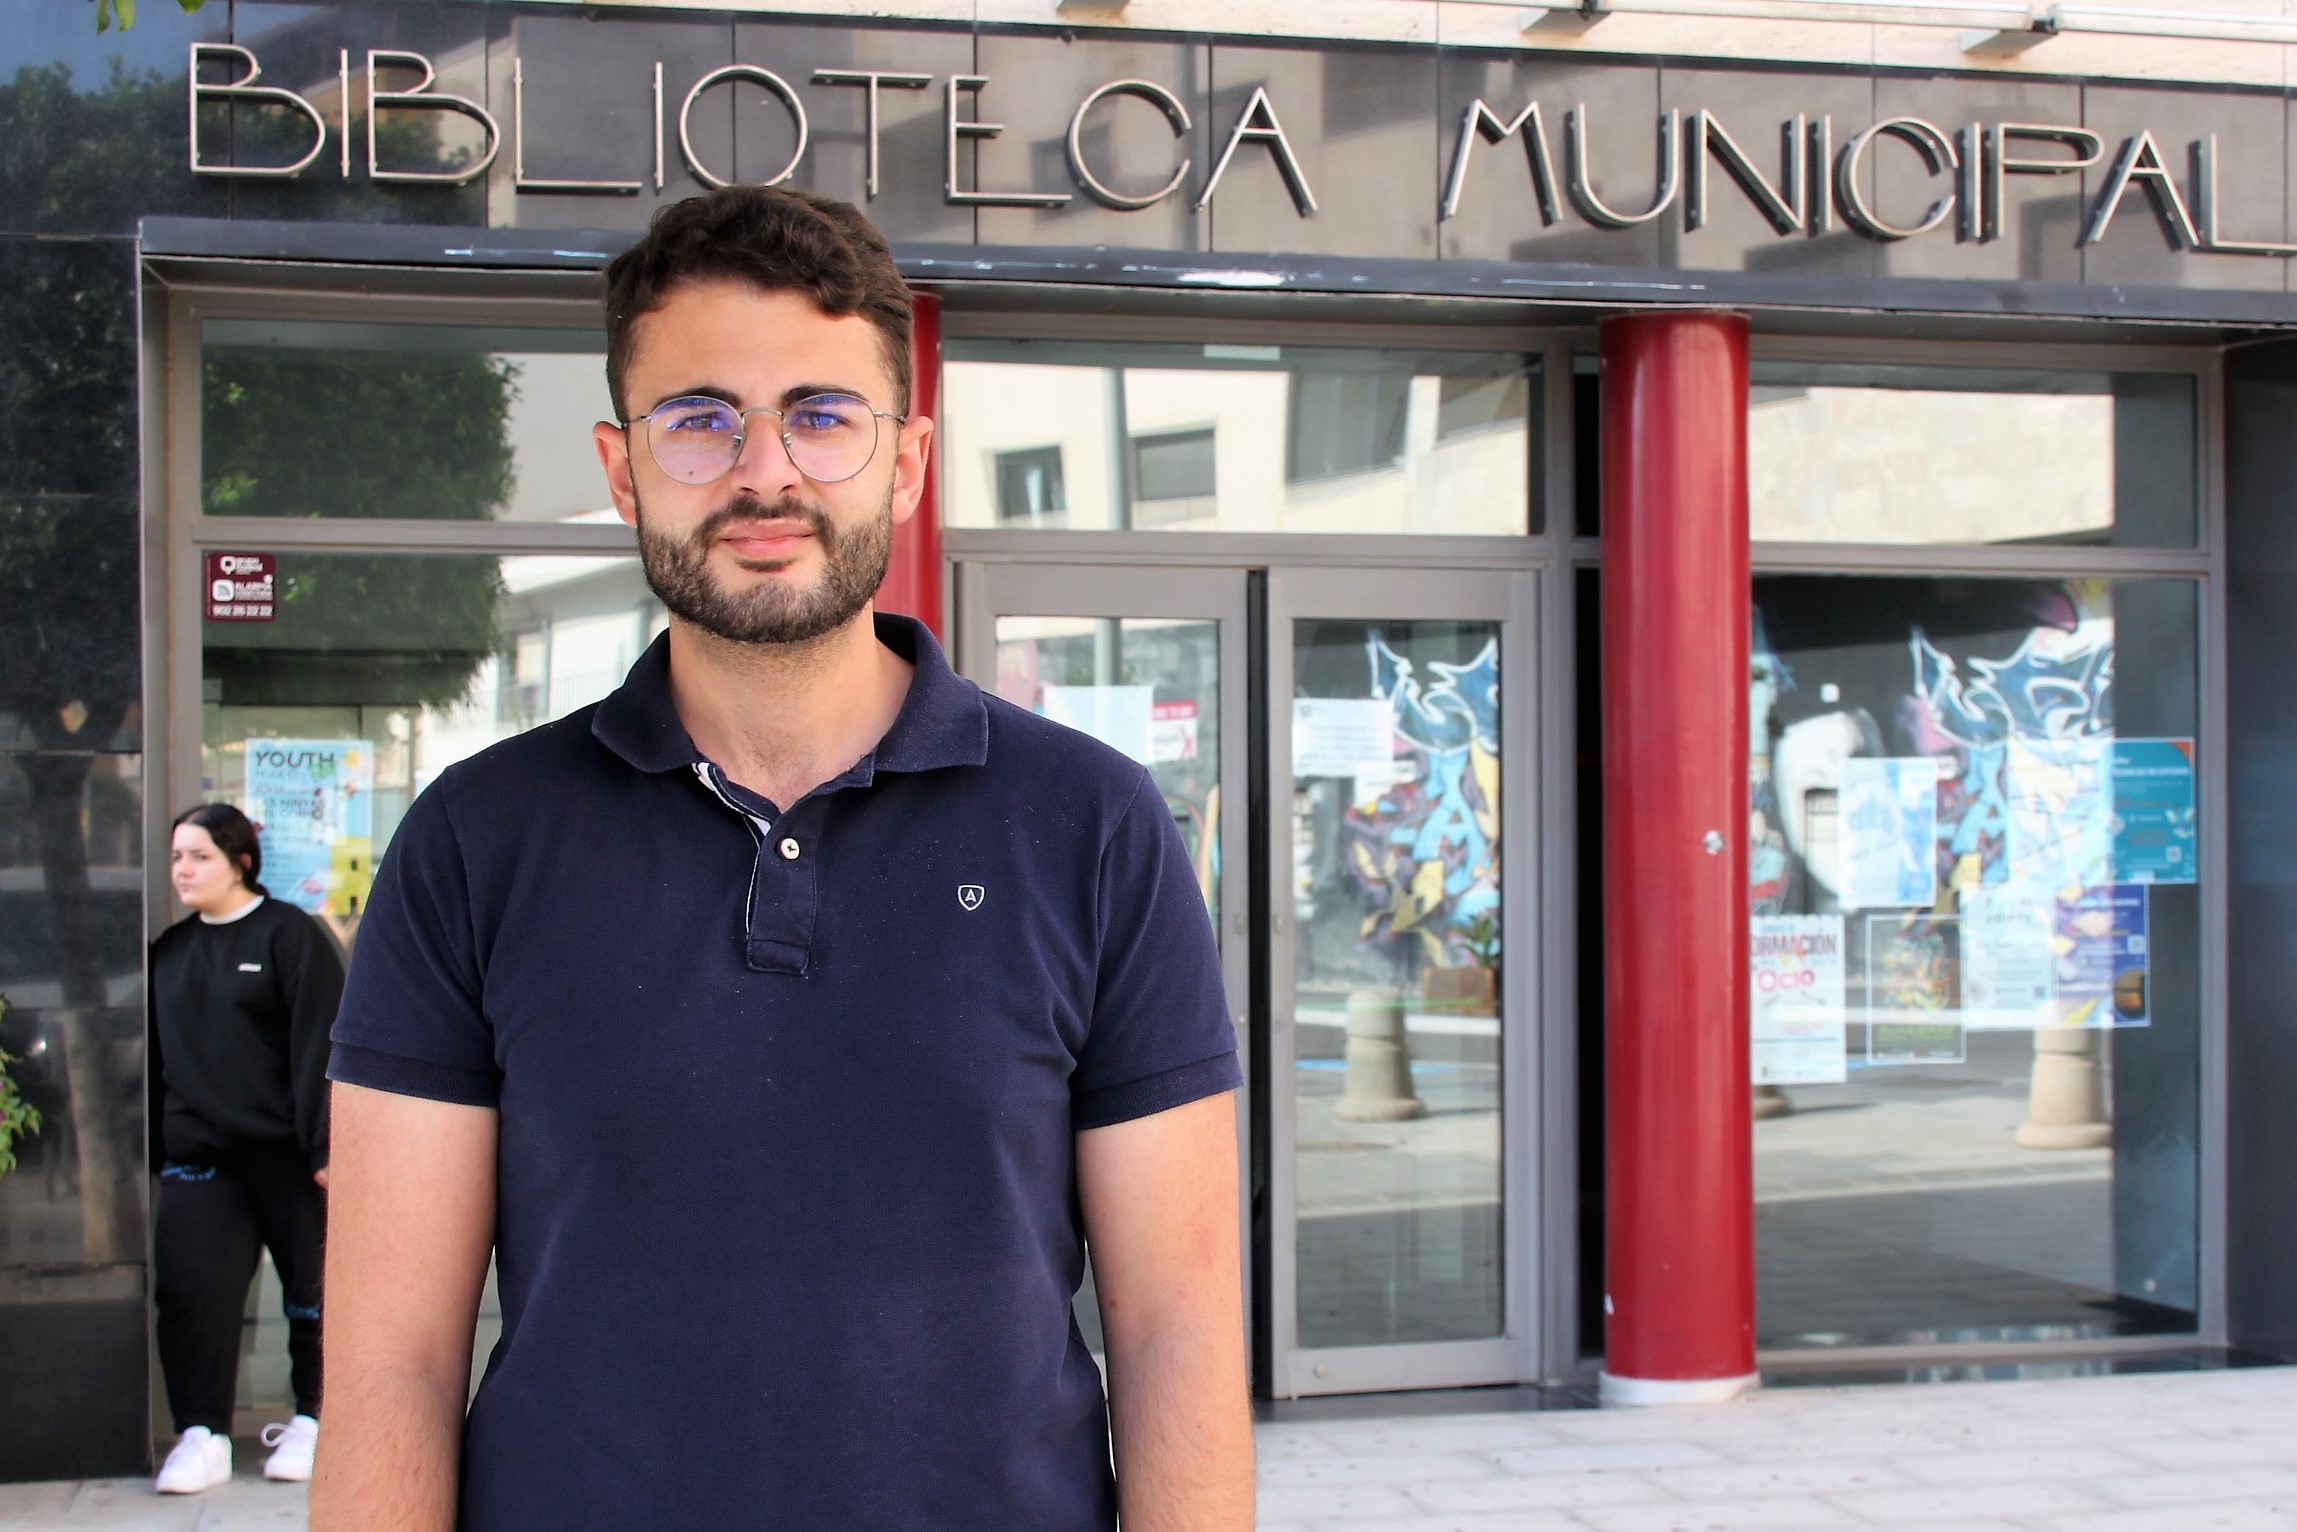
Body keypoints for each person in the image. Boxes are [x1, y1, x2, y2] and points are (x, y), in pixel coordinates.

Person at [313, 186, 1253, 1531]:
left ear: (908, 462)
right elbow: (390, 1367)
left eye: (821, 414)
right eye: (700, 419)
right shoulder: (474, 841)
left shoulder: (1093, 827)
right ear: (625, 466)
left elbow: (1178, 1333)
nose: (765, 472)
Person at [147, 802, 342, 1493]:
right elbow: (155, 1065)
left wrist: (325, 1148)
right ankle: (200, 1435)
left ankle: (315, 1422)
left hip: (291, 1161)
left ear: (241, 863)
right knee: (191, 1297)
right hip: (201, 1162)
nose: (182, 870)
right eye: (176, 857)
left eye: (198, 856)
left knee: (315, 1299)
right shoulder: (168, 956)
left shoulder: (291, 937)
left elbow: (324, 1042)